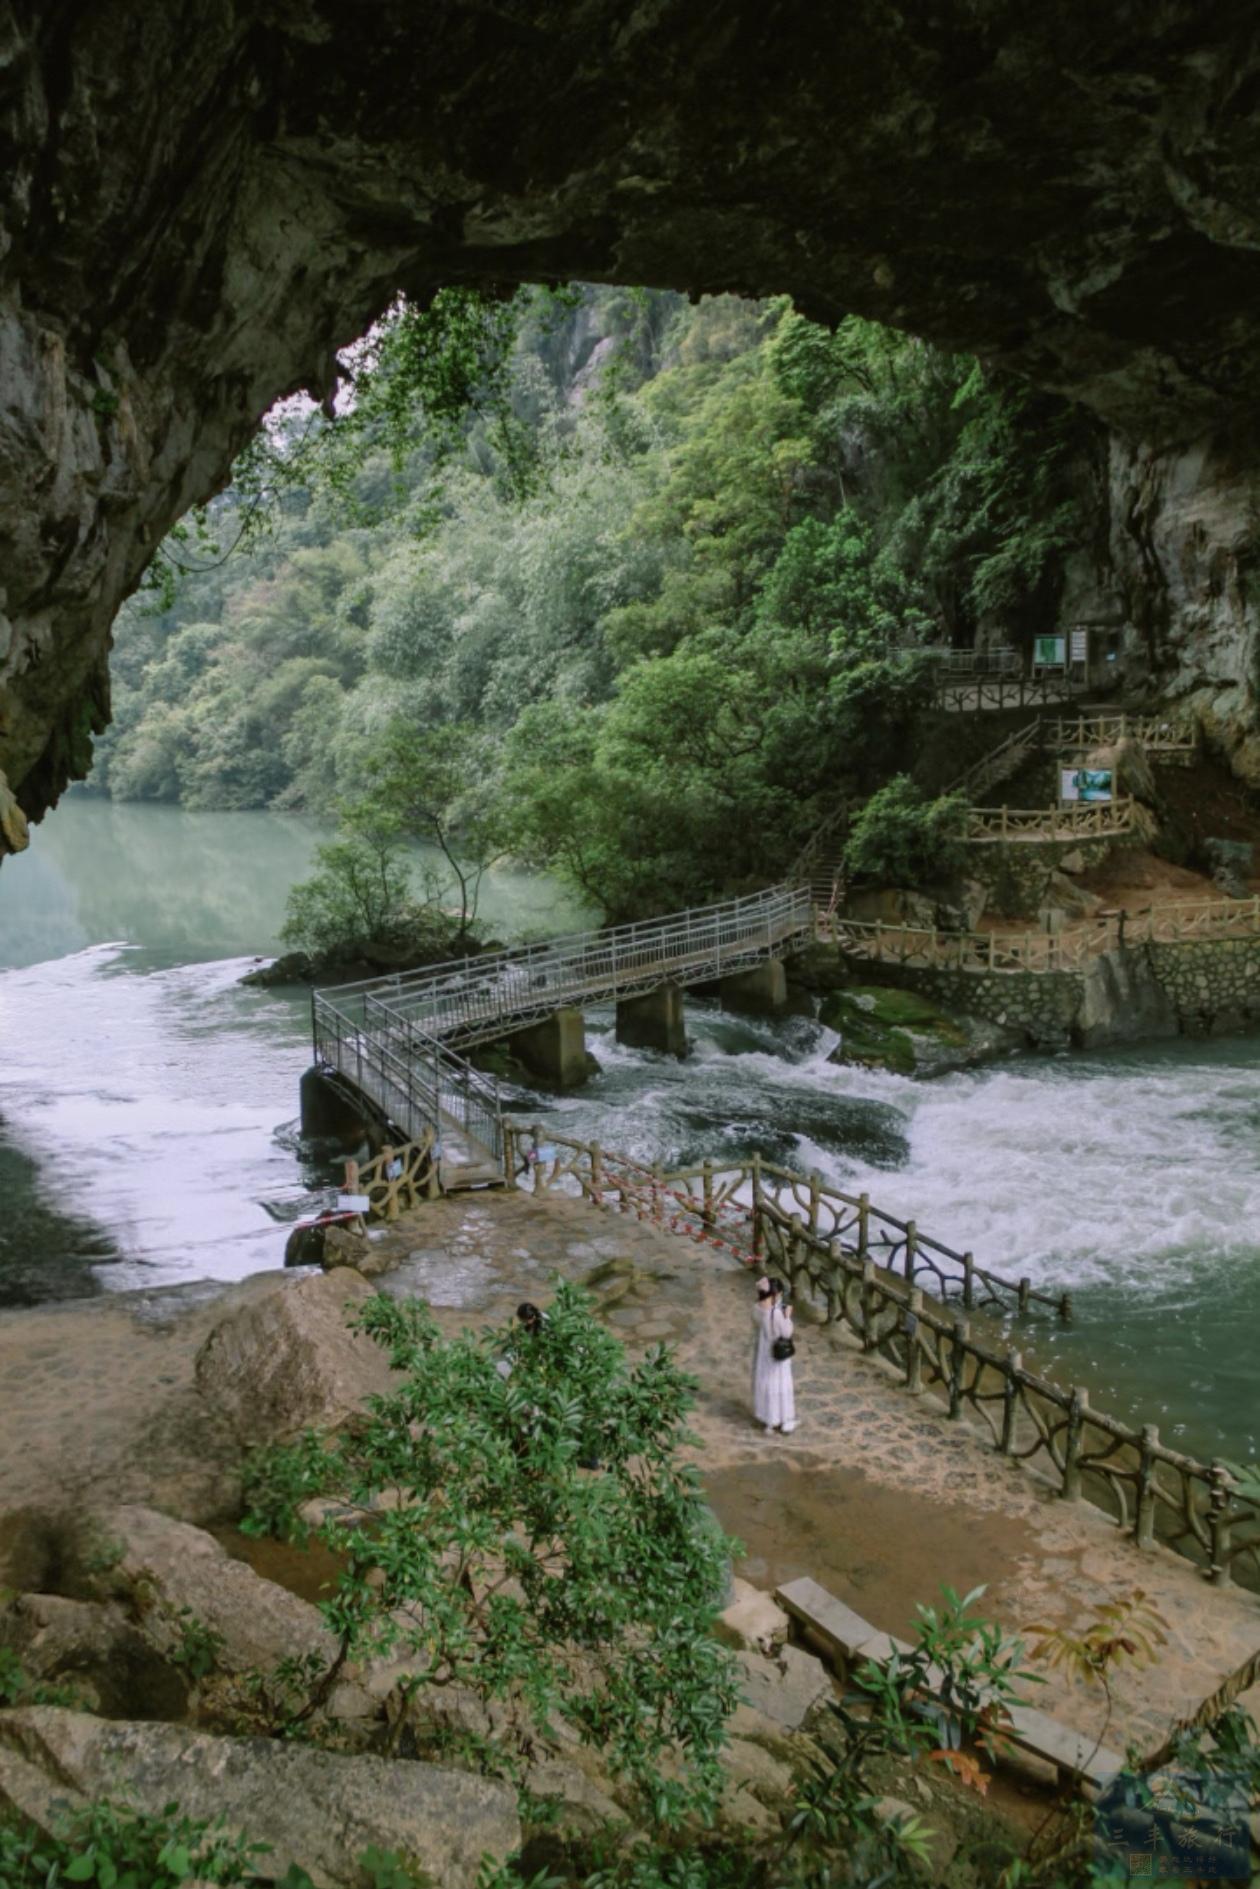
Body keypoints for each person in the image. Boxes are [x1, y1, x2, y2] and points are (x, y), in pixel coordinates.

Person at [752, 1275, 797, 1435]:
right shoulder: (775, 1313)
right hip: (776, 1353)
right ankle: (784, 1419)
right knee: (780, 1385)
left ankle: (769, 1420)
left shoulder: (757, 1308)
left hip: (764, 1351)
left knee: (766, 1383)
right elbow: (786, 1332)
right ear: (776, 1294)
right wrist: (787, 1316)